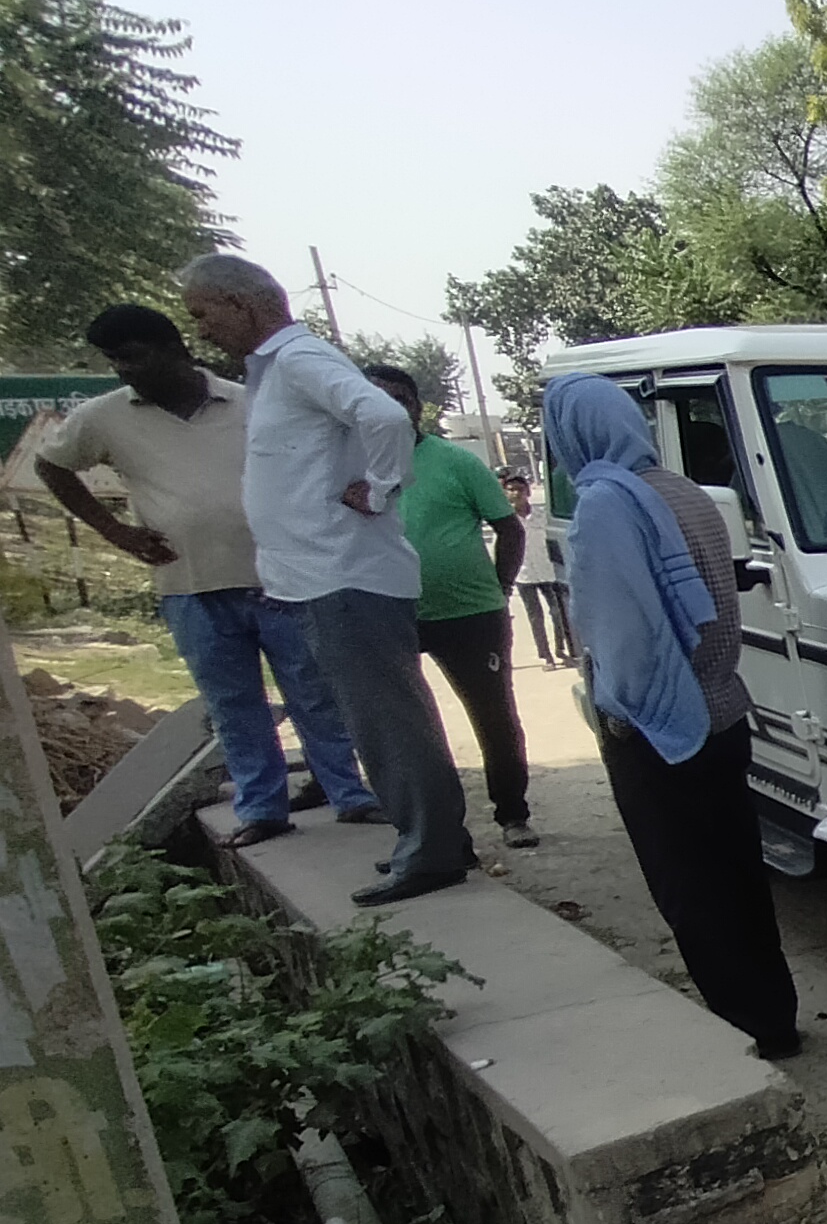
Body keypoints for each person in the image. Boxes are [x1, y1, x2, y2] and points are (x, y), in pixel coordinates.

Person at [177, 255, 473, 905]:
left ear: (240, 303)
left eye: (203, 313)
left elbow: (386, 416)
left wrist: (382, 486)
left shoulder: (299, 360)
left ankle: (432, 851)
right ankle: (431, 841)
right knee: (383, 720)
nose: (200, 329)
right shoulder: (278, 369)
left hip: (346, 576)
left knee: (387, 722)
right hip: (322, 577)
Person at [32, 305, 381, 848]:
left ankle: (350, 795)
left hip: (279, 578)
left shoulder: (250, 403)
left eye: (133, 356)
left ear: (174, 349)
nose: (123, 369)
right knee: (232, 704)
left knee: (314, 692)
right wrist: (115, 531)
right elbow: (51, 465)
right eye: (114, 359)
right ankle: (263, 809)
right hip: (188, 585)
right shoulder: (103, 417)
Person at [545, 375, 799, 1058]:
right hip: (723, 708)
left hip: (659, 725)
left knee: (689, 884)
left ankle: (744, 1029)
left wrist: (622, 719)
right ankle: (775, 1015)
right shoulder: (686, 492)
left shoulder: (605, 505)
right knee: (739, 873)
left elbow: (624, 638)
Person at [365, 364, 537, 850]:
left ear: (416, 408)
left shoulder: (455, 461)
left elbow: (509, 528)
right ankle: (430, 831)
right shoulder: (348, 466)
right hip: (389, 615)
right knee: (404, 726)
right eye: (375, 398)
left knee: (493, 716)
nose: (389, 408)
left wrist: (500, 588)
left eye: (399, 399)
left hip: (470, 617)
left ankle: (513, 813)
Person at [503, 471, 576, 666]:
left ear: (527, 492)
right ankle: (546, 655)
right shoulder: (506, 521)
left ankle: (561, 650)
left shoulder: (541, 515)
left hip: (547, 570)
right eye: (511, 490)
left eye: (520, 489)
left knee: (557, 613)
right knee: (535, 616)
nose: (515, 493)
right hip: (524, 574)